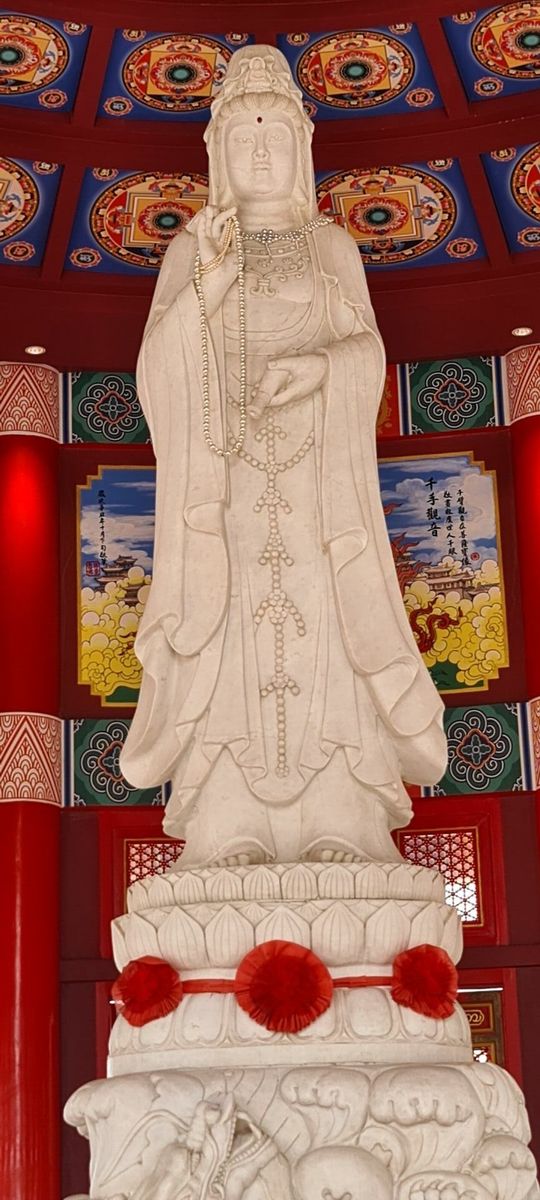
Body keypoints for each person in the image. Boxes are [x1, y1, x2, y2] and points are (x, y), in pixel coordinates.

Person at [120, 46, 446, 866]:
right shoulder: (193, 252)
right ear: (218, 152)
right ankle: (227, 826)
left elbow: (367, 353)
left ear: (299, 147)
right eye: (243, 137)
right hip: (224, 490)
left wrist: (322, 369)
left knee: (327, 633)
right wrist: (212, 284)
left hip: (317, 491)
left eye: (274, 136)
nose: (260, 154)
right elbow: (157, 371)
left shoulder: (331, 246)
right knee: (229, 636)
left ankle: (343, 820)